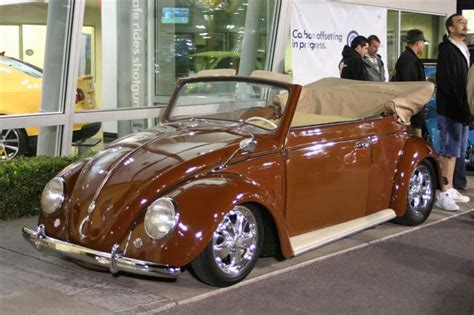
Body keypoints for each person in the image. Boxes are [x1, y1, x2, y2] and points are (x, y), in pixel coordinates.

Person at [434, 13, 471, 211]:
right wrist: (459, 106)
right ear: (450, 28)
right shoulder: (447, 50)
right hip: (451, 110)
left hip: (462, 110)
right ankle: (444, 191)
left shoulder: (463, 48)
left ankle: (451, 187)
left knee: (457, 151)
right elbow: (447, 82)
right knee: (448, 151)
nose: (464, 24)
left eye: (465, 22)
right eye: (460, 22)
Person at [391, 29, 428, 137]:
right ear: (418, 43)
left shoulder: (409, 57)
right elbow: (411, 86)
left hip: (411, 112)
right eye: (423, 43)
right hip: (411, 113)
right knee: (415, 142)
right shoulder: (409, 59)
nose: (423, 46)